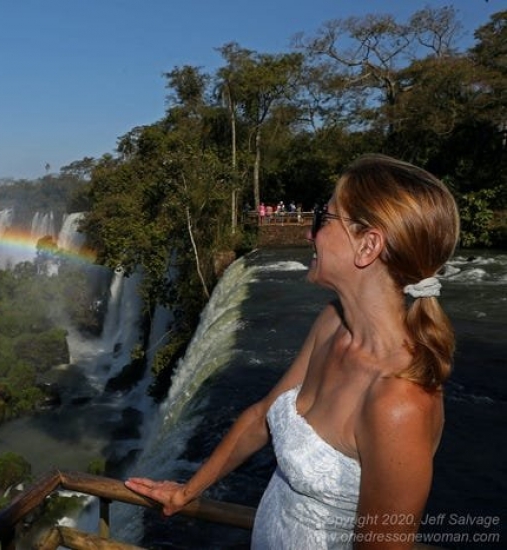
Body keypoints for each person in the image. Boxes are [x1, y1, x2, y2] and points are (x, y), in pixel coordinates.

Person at [125, 154, 460, 549]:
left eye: (324, 218)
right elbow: (262, 417)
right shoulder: (332, 323)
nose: (308, 234)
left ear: (368, 244)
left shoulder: (398, 402)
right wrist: (187, 490)